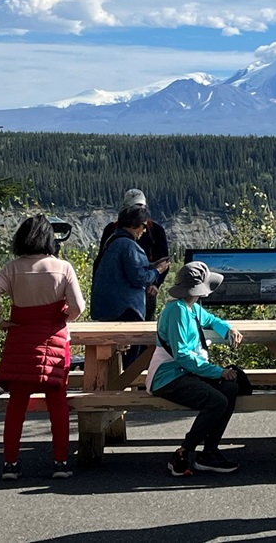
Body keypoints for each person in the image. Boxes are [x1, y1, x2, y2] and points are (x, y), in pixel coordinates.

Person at [0, 215, 86, 480]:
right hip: (53, 341)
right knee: (57, 404)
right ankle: (60, 462)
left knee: (17, 405)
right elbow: (78, 306)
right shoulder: (63, 268)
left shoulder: (12, 269)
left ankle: (10, 464)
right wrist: (64, 317)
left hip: (21, 342)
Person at [148, 262, 244, 476]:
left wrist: (228, 328)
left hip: (186, 372)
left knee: (230, 388)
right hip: (168, 376)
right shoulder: (177, 311)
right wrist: (218, 371)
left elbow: (212, 320)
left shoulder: (192, 307)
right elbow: (182, 355)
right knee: (217, 401)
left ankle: (209, 452)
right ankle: (184, 451)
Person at [91, 203, 170, 368]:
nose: (144, 230)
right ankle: (127, 383)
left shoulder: (112, 241)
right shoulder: (129, 246)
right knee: (132, 361)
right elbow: (139, 278)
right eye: (143, 226)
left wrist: (150, 265)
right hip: (125, 311)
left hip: (106, 309)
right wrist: (158, 271)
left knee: (112, 362)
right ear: (135, 225)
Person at [99, 188, 169, 321]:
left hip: (146, 290)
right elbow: (101, 262)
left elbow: (163, 260)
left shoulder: (156, 230)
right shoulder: (112, 230)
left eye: (141, 208)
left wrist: (155, 283)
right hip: (122, 294)